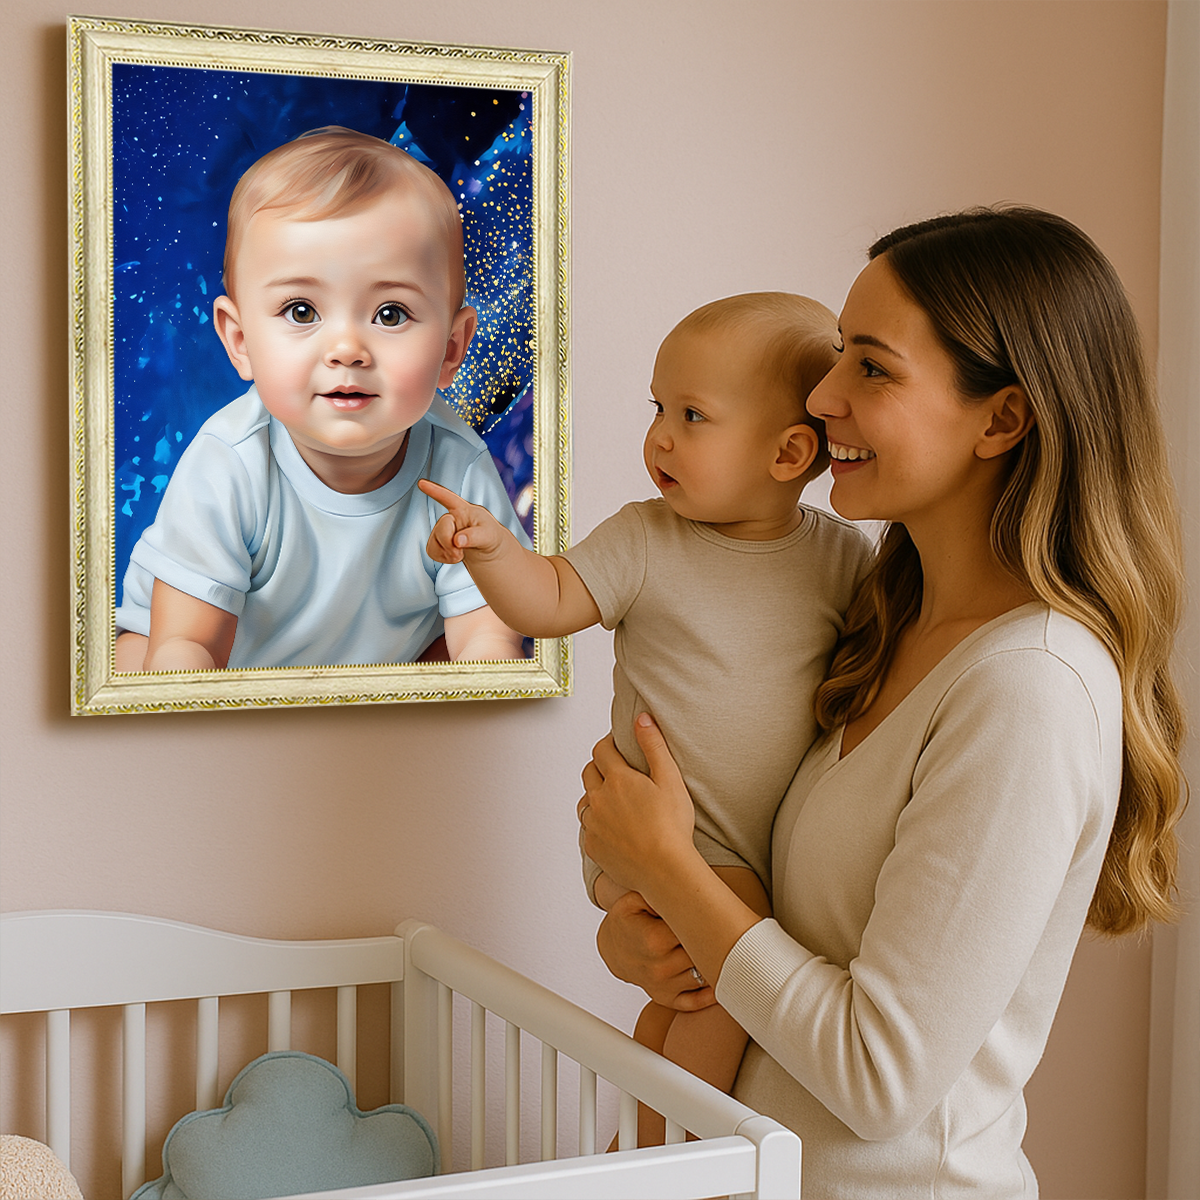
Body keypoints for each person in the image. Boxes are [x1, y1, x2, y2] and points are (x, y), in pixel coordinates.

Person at [578, 207, 1186, 1196]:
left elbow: (878, 1076)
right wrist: (644, 934)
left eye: (870, 366)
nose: (820, 398)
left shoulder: (1029, 686)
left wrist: (667, 865)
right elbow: (783, 944)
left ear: (1002, 419)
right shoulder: (877, 627)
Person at [419, 293, 873, 1141]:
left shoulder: (844, 559)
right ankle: (684, 1162)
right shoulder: (647, 538)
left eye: (692, 415)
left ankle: (638, 1146)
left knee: (678, 1014)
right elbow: (550, 600)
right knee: (733, 991)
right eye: (658, 408)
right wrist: (493, 551)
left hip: (739, 840)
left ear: (789, 452)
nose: (660, 436)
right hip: (676, 840)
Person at [114, 126, 527, 672]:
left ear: (452, 349)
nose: (347, 350)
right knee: (137, 660)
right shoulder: (230, 463)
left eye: (390, 314)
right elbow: (186, 644)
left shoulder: (459, 467)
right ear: (240, 343)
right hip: (228, 669)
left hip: (371, 675)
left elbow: (489, 636)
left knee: (462, 648)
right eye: (302, 311)